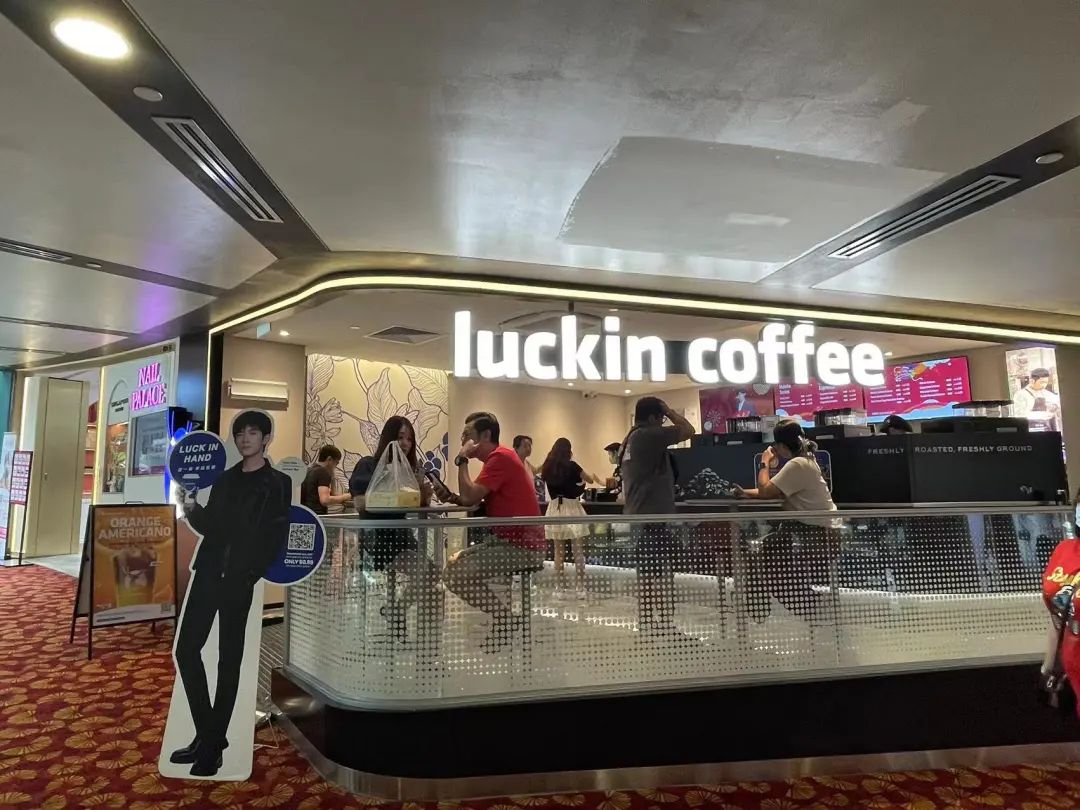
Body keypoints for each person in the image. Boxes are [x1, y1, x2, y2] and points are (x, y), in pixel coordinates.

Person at [171, 411, 291, 777]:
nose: (245, 438)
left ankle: (209, 745)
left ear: (266, 438)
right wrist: (191, 507)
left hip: (239, 578)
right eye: (240, 433)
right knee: (186, 650)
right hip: (208, 571)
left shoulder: (279, 482)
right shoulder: (225, 479)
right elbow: (212, 526)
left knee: (229, 659)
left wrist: (252, 573)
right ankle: (211, 738)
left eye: (253, 432)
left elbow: (276, 533)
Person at [445, 412, 544, 652]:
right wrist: (452, 497)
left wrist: (461, 459)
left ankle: (504, 619)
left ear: (486, 435)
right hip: (509, 541)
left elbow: (470, 496)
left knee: (455, 575)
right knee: (453, 566)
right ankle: (505, 619)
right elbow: (471, 498)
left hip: (522, 546)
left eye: (467, 435)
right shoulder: (499, 459)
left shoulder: (500, 457)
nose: (463, 440)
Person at [736, 418, 840, 621]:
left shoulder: (797, 464)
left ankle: (814, 611)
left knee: (770, 568)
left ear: (781, 446)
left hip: (818, 537)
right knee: (764, 557)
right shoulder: (806, 461)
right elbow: (775, 490)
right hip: (818, 534)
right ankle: (812, 609)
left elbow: (766, 491)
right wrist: (745, 493)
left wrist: (765, 462)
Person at [348, 416, 435, 637]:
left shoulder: (409, 471)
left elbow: (417, 507)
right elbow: (360, 503)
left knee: (432, 572)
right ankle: (396, 612)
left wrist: (423, 494)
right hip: (377, 537)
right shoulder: (368, 465)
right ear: (388, 439)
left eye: (409, 439)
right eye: (400, 437)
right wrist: (395, 494)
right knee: (426, 571)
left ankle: (396, 610)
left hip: (401, 535)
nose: (405, 443)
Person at [619, 398, 695, 635]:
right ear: (653, 418)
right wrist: (670, 410)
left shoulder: (630, 438)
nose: (663, 422)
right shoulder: (648, 435)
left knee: (647, 572)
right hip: (652, 517)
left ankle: (648, 621)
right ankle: (663, 622)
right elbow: (688, 430)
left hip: (639, 515)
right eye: (661, 418)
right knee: (658, 573)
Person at [541, 438, 601, 598]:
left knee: (558, 552)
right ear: (569, 450)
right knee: (578, 551)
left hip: (555, 508)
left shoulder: (548, 467)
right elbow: (589, 479)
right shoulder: (572, 466)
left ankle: (559, 588)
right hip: (573, 508)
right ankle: (580, 587)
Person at [300, 445, 351, 515]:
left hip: (306, 513)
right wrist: (345, 497)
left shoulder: (309, 470)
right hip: (317, 515)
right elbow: (325, 500)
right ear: (329, 459)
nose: (335, 466)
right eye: (336, 462)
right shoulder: (323, 472)